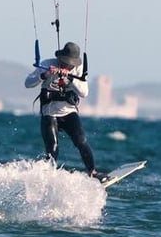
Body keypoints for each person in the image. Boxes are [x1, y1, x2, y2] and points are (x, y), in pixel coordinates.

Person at [25, 42, 106, 181]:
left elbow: (84, 93)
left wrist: (70, 78)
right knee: (53, 147)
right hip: (49, 113)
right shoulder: (48, 64)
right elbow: (28, 83)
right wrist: (45, 75)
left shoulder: (79, 69)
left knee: (81, 141)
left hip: (69, 112)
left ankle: (92, 172)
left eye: (70, 64)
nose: (67, 66)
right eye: (65, 63)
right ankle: (49, 177)